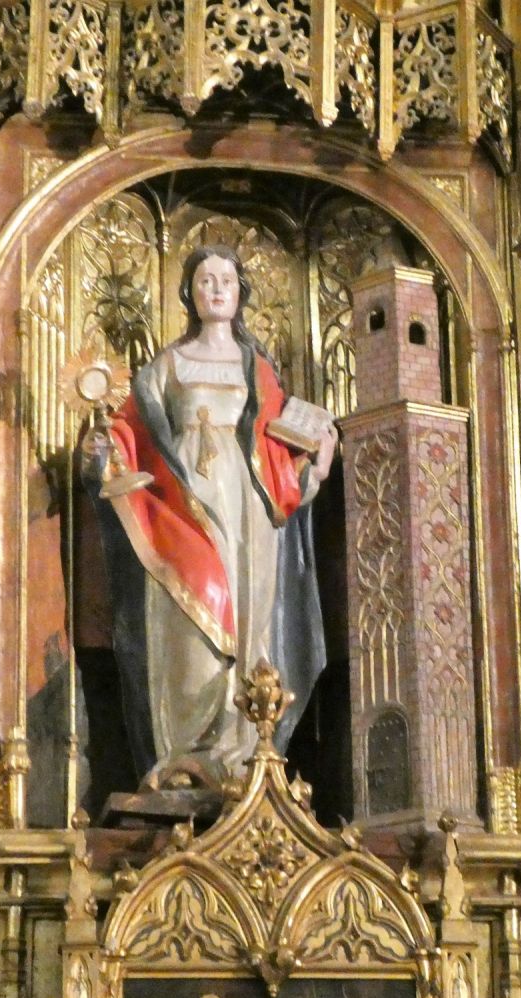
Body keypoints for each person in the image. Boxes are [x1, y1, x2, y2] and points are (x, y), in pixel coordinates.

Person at [86, 246, 336, 791]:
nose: (216, 290)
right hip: (184, 505)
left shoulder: (259, 368)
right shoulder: (167, 366)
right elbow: (129, 432)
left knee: (251, 620)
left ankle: (247, 750)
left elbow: (284, 446)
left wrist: (319, 448)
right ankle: (187, 753)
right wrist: (103, 446)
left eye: (225, 280)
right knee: (188, 617)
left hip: (251, 507)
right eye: (204, 280)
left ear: (241, 293)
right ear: (190, 293)